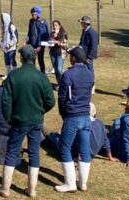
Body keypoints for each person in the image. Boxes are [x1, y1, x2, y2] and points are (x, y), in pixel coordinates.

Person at [0, 45, 55, 198]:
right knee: (34, 153)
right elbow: (50, 101)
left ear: (22, 58)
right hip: (36, 121)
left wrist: (8, 117)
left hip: (18, 121)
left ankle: (5, 189)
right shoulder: (42, 77)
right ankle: (32, 190)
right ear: (34, 59)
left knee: (11, 152)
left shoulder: (13, 75)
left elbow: (5, 101)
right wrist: (40, 111)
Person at [55, 46, 95, 193]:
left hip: (72, 116)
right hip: (86, 115)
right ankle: (82, 183)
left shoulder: (68, 74)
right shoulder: (90, 74)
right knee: (84, 150)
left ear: (73, 58)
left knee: (65, 148)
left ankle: (70, 183)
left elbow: (62, 97)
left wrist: (63, 113)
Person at [46, 103, 116, 162]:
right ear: (95, 114)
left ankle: (46, 135)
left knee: (54, 136)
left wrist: (78, 159)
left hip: (77, 154)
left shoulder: (82, 124)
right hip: (91, 154)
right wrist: (110, 157)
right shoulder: (100, 123)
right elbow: (106, 141)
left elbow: (78, 142)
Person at [25, 6, 50, 74]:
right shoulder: (31, 21)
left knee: (40, 60)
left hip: (40, 45)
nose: (33, 16)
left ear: (38, 14)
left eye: (34, 14)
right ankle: (33, 74)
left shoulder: (42, 22)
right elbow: (29, 32)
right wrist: (26, 41)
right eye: (32, 14)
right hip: (32, 44)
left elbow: (45, 36)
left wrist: (40, 46)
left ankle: (43, 74)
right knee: (32, 60)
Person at [0, 12, 19, 79]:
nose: (2, 20)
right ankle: (8, 75)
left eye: (2, 19)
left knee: (12, 61)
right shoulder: (4, 28)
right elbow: (4, 38)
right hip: (5, 49)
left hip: (11, 48)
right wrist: (1, 44)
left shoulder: (11, 27)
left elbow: (15, 38)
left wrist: (9, 44)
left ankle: (15, 75)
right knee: (7, 61)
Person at [49, 20, 68, 84]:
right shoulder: (52, 33)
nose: (54, 27)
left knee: (59, 70)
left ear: (59, 26)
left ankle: (63, 83)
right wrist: (50, 42)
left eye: (56, 25)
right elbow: (50, 43)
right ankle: (59, 84)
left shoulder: (63, 33)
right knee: (56, 71)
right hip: (52, 53)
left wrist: (57, 42)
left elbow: (65, 45)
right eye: (53, 25)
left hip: (60, 54)